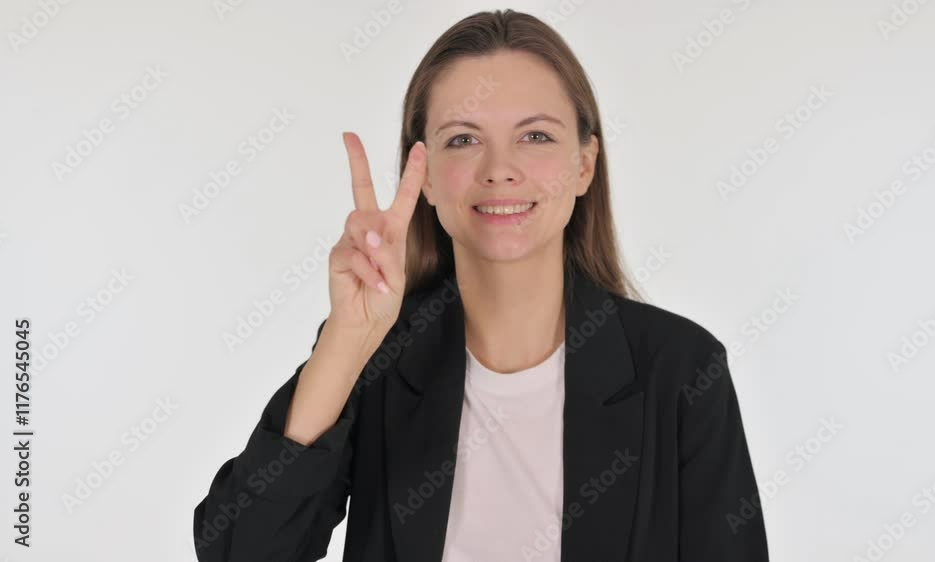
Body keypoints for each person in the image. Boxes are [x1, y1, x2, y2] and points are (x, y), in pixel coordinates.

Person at [193, 9, 769, 562]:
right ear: (423, 176)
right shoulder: (377, 353)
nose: (499, 169)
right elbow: (242, 551)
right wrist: (347, 341)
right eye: (463, 140)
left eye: (536, 136)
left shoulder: (682, 370)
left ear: (585, 165)